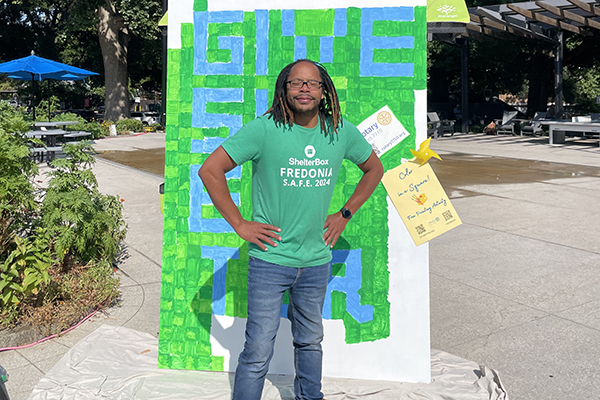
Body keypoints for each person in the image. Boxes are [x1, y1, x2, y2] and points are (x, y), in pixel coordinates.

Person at [199, 59, 384, 400]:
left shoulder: (340, 130)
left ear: (324, 91)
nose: (304, 89)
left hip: (316, 260)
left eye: (312, 83)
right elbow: (210, 170)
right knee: (257, 350)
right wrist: (239, 224)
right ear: (284, 89)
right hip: (270, 261)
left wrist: (345, 213)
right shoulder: (264, 129)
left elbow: (374, 168)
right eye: (296, 83)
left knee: (311, 342)